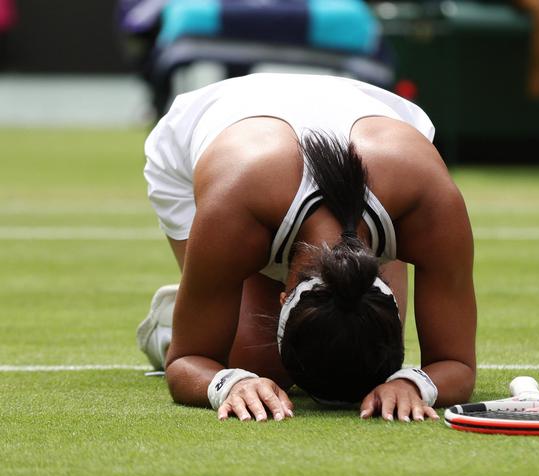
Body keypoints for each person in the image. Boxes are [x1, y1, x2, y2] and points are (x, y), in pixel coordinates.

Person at [138, 73, 476, 423]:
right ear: (282, 298)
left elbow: (458, 364)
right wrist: (230, 382)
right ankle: (175, 317)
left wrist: (413, 383)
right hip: (207, 128)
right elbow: (187, 359)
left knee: (360, 342)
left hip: (356, 107)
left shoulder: (429, 204)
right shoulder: (233, 216)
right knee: (257, 366)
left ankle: (207, 301)